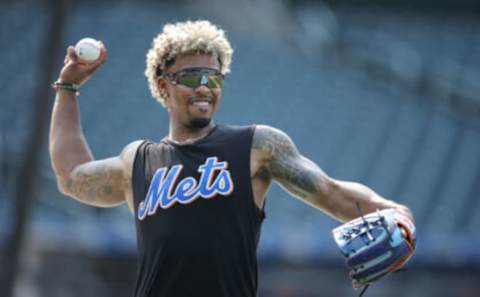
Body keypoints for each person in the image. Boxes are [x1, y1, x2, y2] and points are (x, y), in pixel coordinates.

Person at [49, 20, 415, 297]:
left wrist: (395, 212)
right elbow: (71, 177)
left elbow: (331, 192)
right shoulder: (139, 161)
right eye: (192, 76)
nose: (205, 86)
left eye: (214, 77)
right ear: (163, 84)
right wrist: (68, 88)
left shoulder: (256, 146)